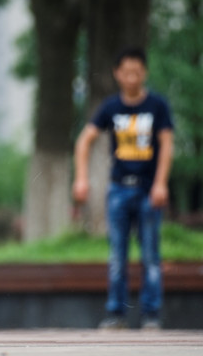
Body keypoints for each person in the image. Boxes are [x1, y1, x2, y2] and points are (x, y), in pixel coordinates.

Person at [72, 47, 174, 330]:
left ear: (144, 73)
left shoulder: (157, 106)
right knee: (117, 256)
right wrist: (81, 179)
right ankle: (116, 314)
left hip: (148, 190)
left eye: (137, 72)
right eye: (126, 72)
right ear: (118, 74)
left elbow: (166, 144)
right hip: (118, 190)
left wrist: (161, 183)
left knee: (151, 256)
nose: (132, 77)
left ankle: (151, 315)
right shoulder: (110, 107)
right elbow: (84, 141)